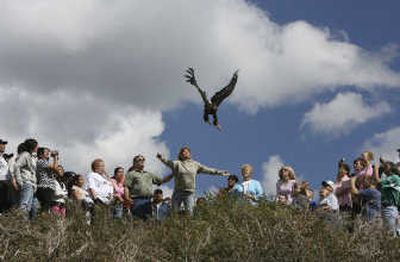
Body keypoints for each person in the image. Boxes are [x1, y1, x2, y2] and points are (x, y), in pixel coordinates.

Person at [157, 146, 229, 215]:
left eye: (186, 152)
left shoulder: (195, 164)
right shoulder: (177, 163)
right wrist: (161, 158)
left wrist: (220, 172)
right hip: (178, 192)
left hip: (189, 193)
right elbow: (168, 163)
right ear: (180, 155)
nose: (184, 153)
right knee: (174, 212)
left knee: (190, 213)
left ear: (190, 154)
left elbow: (208, 170)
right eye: (183, 152)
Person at [125, 155, 168, 219]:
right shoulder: (131, 174)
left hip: (148, 201)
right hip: (137, 200)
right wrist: (127, 198)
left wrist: (173, 174)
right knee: (137, 219)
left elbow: (161, 181)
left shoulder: (149, 174)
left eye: (143, 160)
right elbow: (126, 186)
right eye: (140, 160)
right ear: (135, 163)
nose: (142, 161)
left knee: (148, 220)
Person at [14, 138, 39, 219]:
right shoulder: (25, 155)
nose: (37, 147)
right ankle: (20, 223)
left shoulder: (31, 156)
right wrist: (20, 181)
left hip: (31, 184)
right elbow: (16, 166)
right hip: (26, 182)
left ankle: (24, 225)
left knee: (28, 207)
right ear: (33, 146)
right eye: (36, 145)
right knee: (24, 205)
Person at [374, 161, 400, 236]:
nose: (384, 168)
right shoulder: (389, 179)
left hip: (390, 208)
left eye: (386, 167)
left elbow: (378, 181)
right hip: (387, 208)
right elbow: (377, 185)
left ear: (392, 167)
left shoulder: (395, 177)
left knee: (391, 234)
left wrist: (376, 169)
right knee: (388, 233)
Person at [36, 147, 61, 213]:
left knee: (47, 207)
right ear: (41, 154)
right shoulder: (40, 161)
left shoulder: (46, 162)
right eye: (46, 152)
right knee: (45, 207)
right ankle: (42, 221)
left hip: (49, 187)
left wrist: (56, 158)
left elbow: (58, 172)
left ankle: (43, 220)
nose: (48, 153)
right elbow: (55, 168)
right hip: (44, 187)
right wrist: (55, 157)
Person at [0, 139, 9, 213]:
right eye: (1, 144)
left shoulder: (2, 158)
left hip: (5, 183)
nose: (3, 146)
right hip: (0, 182)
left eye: (4, 144)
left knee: (3, 203)